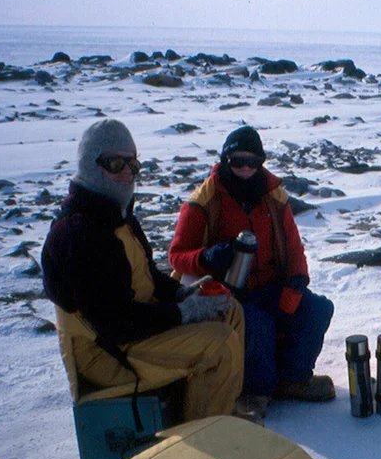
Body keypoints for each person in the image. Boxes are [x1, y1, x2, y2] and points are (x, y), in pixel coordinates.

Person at [42, 119, 244, 422]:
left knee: (230, 311)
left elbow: (148, 277)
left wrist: (181, 293)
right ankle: (204, 437)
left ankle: (218, 407)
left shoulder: (118, 217)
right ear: (90, 166)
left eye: (132, 164)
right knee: (219, 343)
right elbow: (116, 323)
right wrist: (183, 312)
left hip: (137, 331)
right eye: (114, 163)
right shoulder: (78, 234)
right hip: (108, 356)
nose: (126, 172)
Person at [169, 125, 334, 422]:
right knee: (257, 323)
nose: (245, 168)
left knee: (317, 308)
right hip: (227, 293)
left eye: (252, 162)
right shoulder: (203, 201)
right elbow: (177, 256)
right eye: (237, 161)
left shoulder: (275, 198)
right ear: (225, 160)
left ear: (261, 162)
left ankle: (292, 380)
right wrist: (207, 257)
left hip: (270, 285)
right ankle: (253, 393)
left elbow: (294, 246)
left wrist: (297, 281)